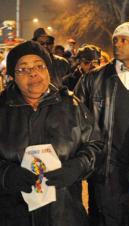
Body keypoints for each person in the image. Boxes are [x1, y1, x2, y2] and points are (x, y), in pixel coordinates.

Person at [0, 40, 103, 226]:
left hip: (65, 214)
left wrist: (78, 167)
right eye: (23, 69)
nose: (33, 72)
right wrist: (7, 174)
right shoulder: (2, 108)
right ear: (12, 76)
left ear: (48, 70)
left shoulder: (71, 104)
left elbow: (95, 145)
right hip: (13, 214)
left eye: (39, 66)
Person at [75, 22, 129, 226]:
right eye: (115, 40)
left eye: (124, 40)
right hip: (106, 166)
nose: (117, 44)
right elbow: (75, 119)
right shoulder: (92, 79)